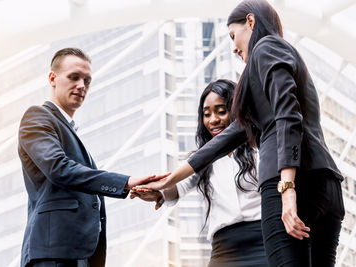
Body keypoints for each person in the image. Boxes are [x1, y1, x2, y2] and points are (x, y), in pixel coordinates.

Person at [136, 1, 345, 266]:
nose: (234, 47)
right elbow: (219, 144)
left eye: (234, 36)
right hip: (327, 186)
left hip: (294, 183)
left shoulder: (266, 48)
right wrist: (166, 182)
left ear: (251, 21)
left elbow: (288, 115)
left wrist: (288, 189)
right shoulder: (282, 62)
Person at [18, 47, 167, 267]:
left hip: (79, 255)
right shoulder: (37, 117)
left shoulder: (69, 132)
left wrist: (138, 188)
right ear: (52, 78)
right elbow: (59, 169)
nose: (81, 86)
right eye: (74, 77)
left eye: (87, 81)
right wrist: (125, 182)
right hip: (53, 254)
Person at [132, 79, 268, 267]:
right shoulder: (201, 160)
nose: (213, 120)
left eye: (221, 111)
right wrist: (155, 193)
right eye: (207, 114)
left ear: (236, 111)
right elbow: (176, 187)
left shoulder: (260, 148)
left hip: (265, 242)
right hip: (225, 251)